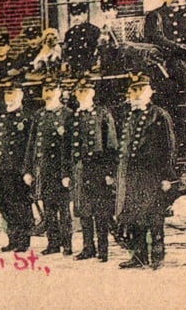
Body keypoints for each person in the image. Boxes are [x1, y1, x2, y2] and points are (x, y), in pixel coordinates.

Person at [114, 71, 177, 270]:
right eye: (134, 90)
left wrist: (167, 176)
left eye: (141, 89)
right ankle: (138, 256)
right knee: (134, 215)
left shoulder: (159, 115)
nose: (137, 93)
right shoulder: (128, 115)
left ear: (150, 91)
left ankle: (157, 255)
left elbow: (169, 147)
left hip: (153, 174)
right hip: (132, 173)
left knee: (154, 215)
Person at [0, 72, 35, 253]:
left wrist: (28, 170)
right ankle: (12, 239)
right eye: (6, 94)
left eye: (12, 94)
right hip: (0, 169)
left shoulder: (27, 119)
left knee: (20, 204)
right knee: (4, 204)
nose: (9, 98)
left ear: (21, 95)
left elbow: (30, 148)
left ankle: (23, 240)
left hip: (17, 170)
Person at [70, 74, 118, 262]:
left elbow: (111, 145)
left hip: (98, 168)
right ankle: (87, 247)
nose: (82, 95)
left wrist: (109, 172)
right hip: (80, 169)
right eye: (79, 91)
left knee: (101, 211)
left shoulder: (102, 114)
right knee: (84, 210)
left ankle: (103, 250)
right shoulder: (75, 116)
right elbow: (70, 147)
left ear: (92, 92)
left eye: (86, 91)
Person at [23, 74, 73, 255]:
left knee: (64, 210)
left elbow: (70, 148)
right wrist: (28, 170)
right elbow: (31, 144)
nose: (48, 93)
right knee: (49, 209)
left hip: (60, 170)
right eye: (46, 90)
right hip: (43, 169)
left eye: (52, 89)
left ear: (59, 91)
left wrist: (68, 173)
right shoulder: (39, 115)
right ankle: (53, 243)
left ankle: (67, 245)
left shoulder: (68, 115)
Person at [142, 0, 186, 112]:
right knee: (179, 66)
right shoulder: (156, 16)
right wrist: (176, 46)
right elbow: (155, 37)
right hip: (166, 57)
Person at [61, 2, 100, 78]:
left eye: (79, 14)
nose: (76, 18)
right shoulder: (69, 33)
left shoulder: (93, 30)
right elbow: (65, 51)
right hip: (72, 71)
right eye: (73, 15)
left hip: (88, 70)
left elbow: (96, 50)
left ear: (85, 14)